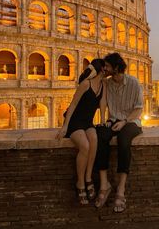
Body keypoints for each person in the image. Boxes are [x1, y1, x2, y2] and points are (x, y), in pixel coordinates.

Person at [95, 53, 143, 213]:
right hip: (113, 120)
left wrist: (124, 122)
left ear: (116, 68)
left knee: (123, 141)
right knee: (100, 136)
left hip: (131, 121)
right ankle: (104, 184)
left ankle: (121, 189)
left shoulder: (134, 82)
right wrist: (104, 120)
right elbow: (102, 101)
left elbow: (138, 108)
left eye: (107, 66)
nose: (105, 68)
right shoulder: (107, 83)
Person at [56, 58, 106, 205]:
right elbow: (72, 105)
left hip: (87, 122)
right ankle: (80, 183)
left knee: (94, 140)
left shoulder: (103, 86)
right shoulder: (85, 84)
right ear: (102, 69)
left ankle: (88, 177)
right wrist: (65, 126)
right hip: (75, 121)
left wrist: (103, 120)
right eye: (106, 67)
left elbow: (102, 104)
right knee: (84, 145)